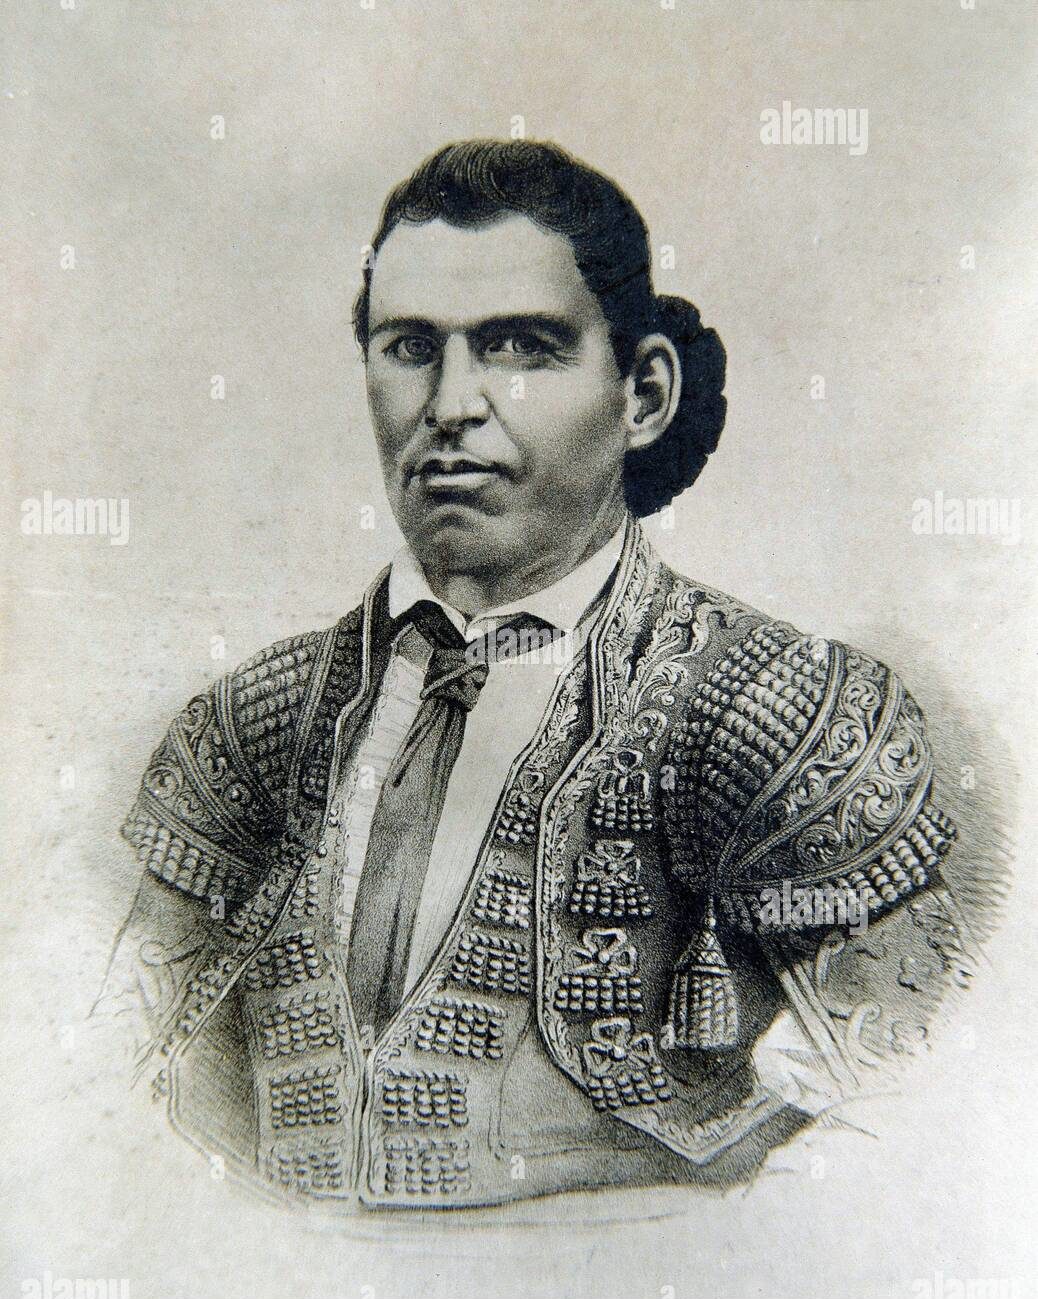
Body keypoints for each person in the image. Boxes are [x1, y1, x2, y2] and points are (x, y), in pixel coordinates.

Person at [97, 139, 969, 1209]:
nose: (450, 404)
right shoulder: (253, 724)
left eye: (520, 346)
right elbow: (109, 1095)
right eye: (411, 347)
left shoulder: (773, 710)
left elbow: (916, 1143)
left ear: (644, 394)